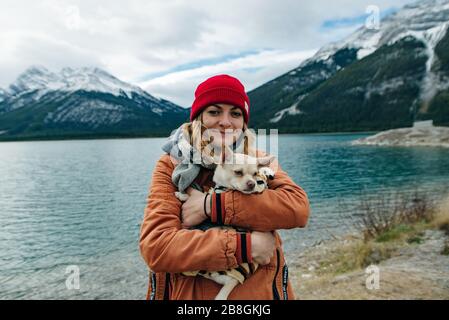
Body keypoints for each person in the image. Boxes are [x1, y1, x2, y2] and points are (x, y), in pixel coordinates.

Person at [139, 74, 310, 300]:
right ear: (198, 117)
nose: (226, 122)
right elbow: (157, 248)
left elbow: (297, 209)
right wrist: (244, 246)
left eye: (236, 114)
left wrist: (212, 205)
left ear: (243, 122)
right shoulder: (172, 164)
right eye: (214, 111)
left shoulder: (257, 160)